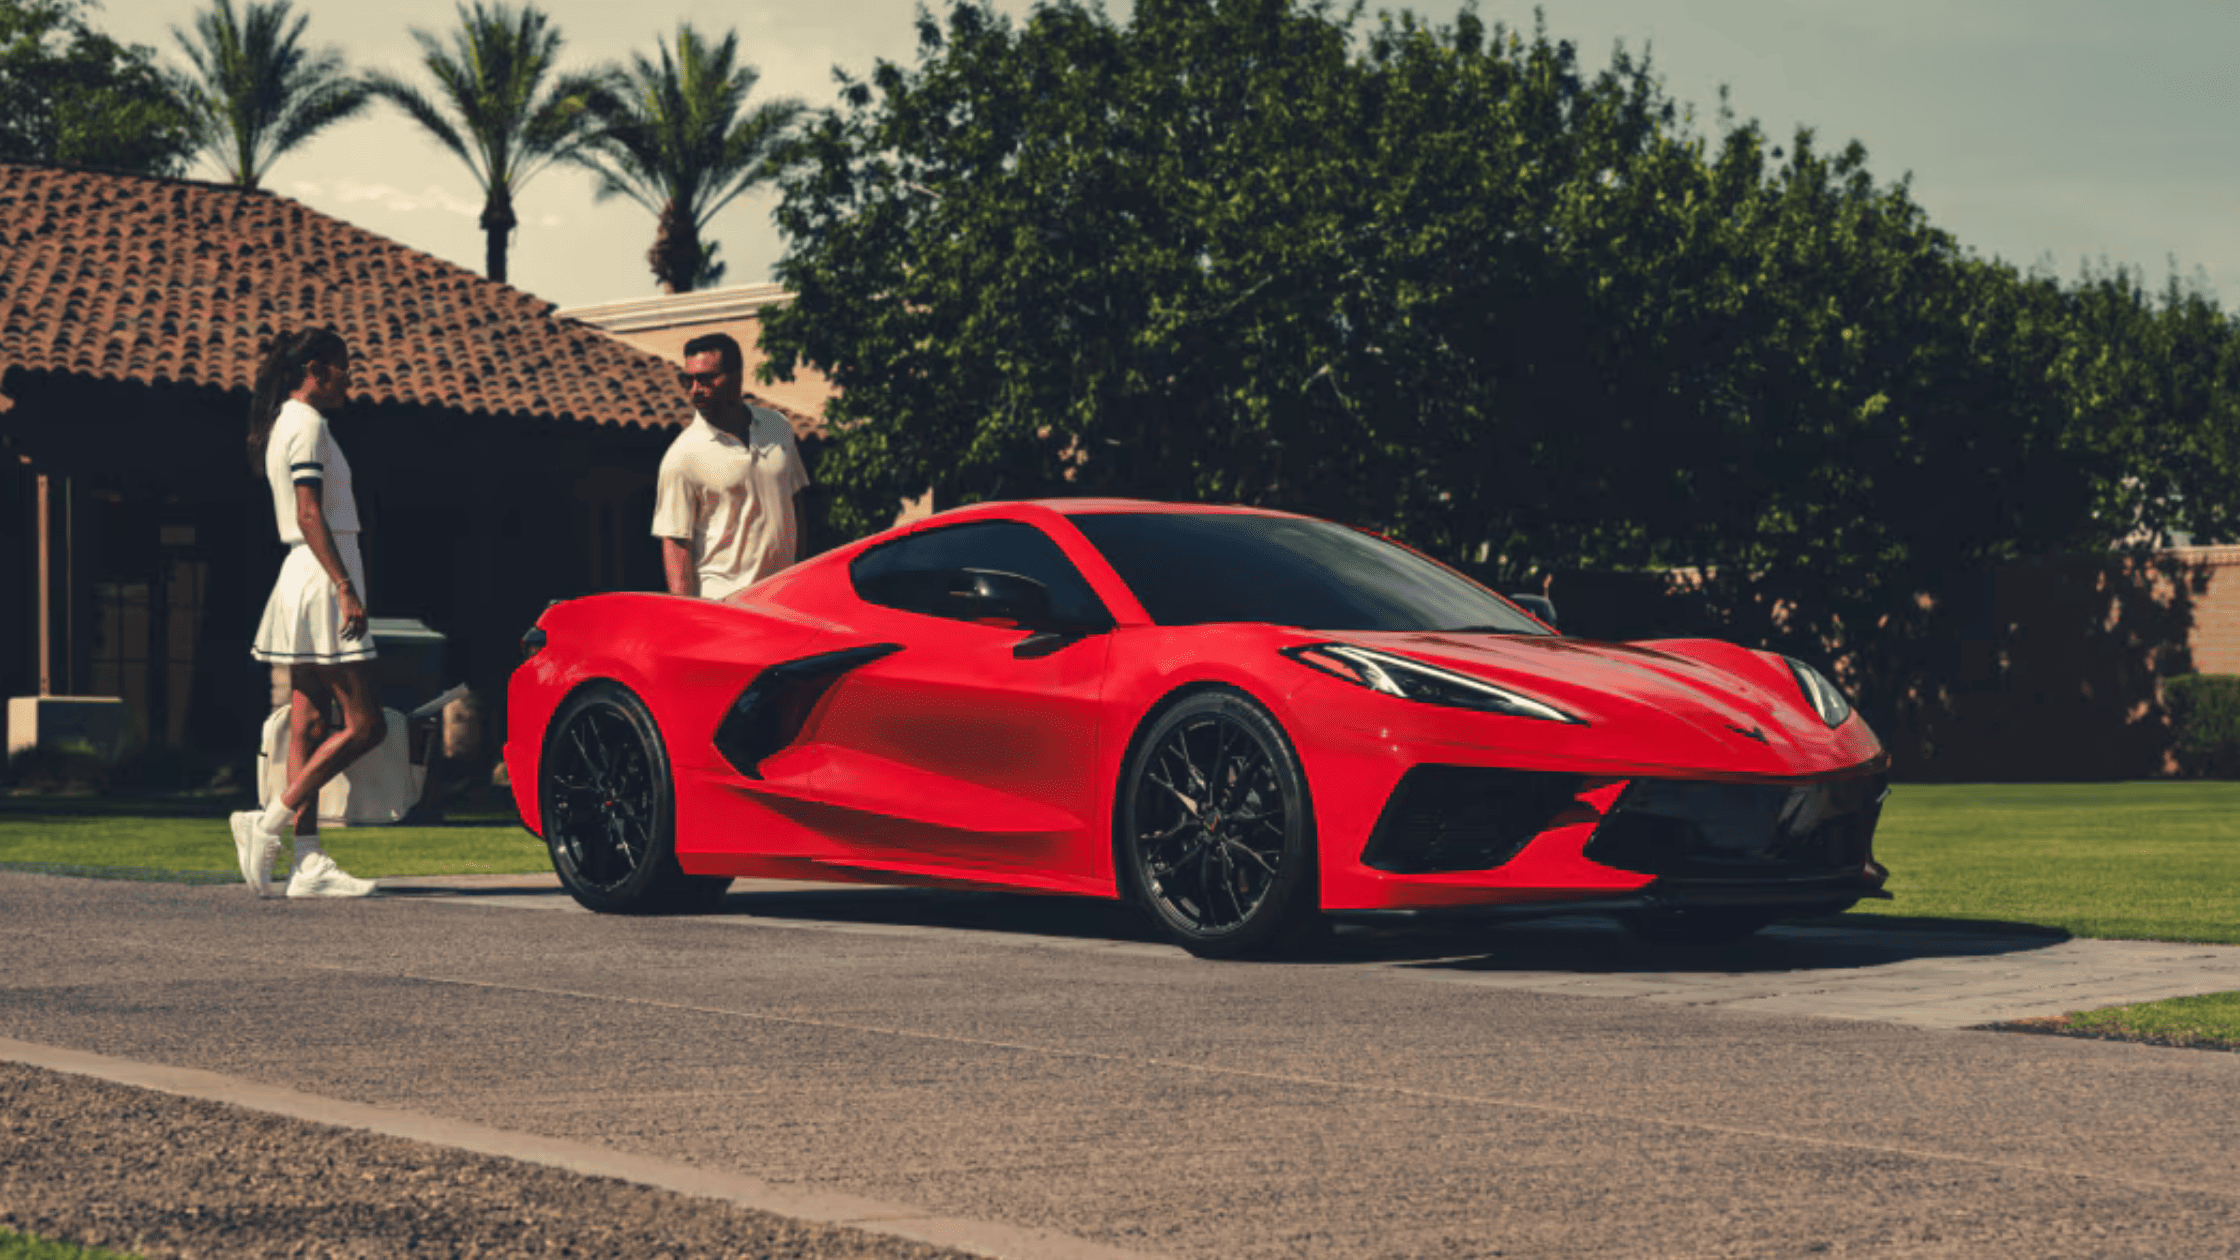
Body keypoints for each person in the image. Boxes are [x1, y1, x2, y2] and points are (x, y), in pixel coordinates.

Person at [228, 328, 385, 899]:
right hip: (322, 575)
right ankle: (268, 822)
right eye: (345, 370)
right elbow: (309, 510)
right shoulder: (309, 425)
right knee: (367, 724)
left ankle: (307, 860)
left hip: (304, 572)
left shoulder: (285, 425)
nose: (350, 381)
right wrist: (345, 585)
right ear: (317, 371)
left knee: (310, 722)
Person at [652, 332, 810, 599]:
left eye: (705, 379)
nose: (694, 390)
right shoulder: (682, 455)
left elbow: (795, 504)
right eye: (687, 380)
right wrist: (686, 614)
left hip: (784, 598)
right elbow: (676, 542)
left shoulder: (778, 427)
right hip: (724, 604)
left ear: (736, 376)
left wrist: (803, 575)